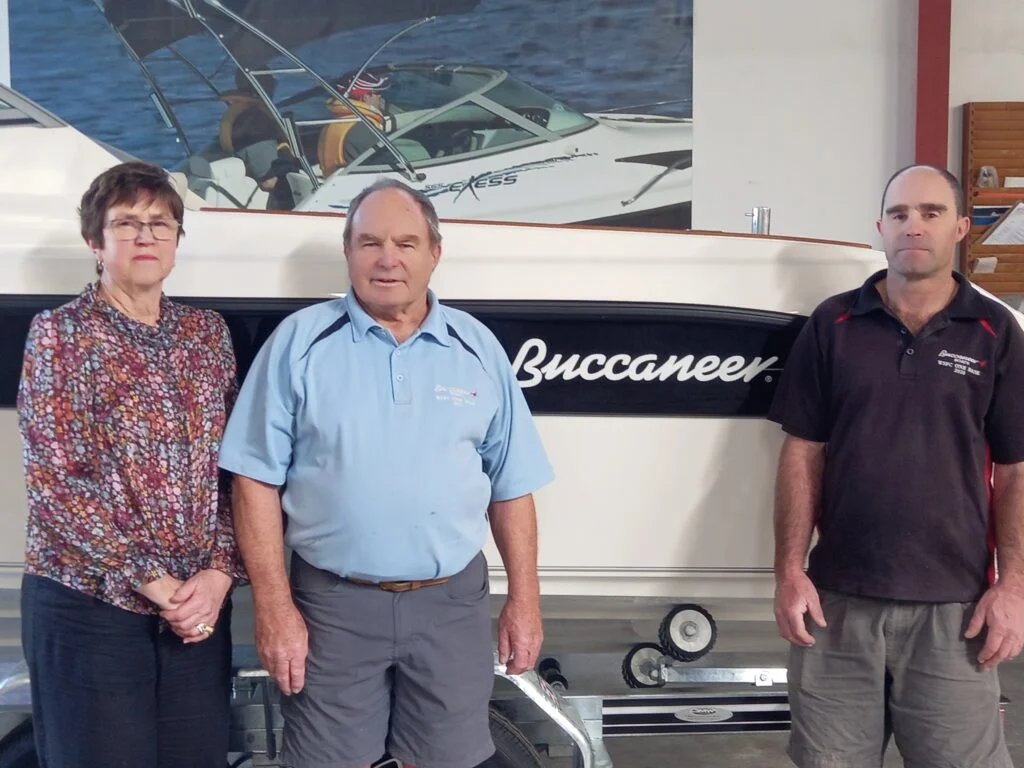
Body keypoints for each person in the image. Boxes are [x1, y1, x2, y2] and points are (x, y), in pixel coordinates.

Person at [218, 177, 554, 768]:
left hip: (451, 604)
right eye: (369, 242)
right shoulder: (299, 343)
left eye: (405, 242)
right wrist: (273, 608)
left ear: (435, 253)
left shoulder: (477, 348)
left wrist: (525, 601)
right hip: (332, 607)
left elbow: (512, 484)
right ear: (348, 252)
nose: (387, 258)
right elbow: (253, 482)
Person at [769, 163, 1024, 767]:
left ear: (960, 226)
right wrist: (788, 570)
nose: (915, 225)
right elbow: (802, 452)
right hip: (836, 607)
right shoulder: (832, 325)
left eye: (932, 212)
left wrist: (1013, 586)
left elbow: (1015, 471)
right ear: (879, 227)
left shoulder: (996, 332)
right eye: (901, 214)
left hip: (955, 611)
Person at [17, 161, 245, 767]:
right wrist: (157, 585)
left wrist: (219, 574)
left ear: (176, 238)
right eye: (127, 224)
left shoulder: (206, 335)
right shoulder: (60, 335)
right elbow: (56, 483)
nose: (146, 236)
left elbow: (236, 470)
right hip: (92, 607)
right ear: (96, 242)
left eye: (160, 223)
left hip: (196, 612)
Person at [318, 70, 393, 177]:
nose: (380, 97)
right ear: (365, 96)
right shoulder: (366, 131)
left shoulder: (333, 124)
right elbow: (394, 166)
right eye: (378, 93)